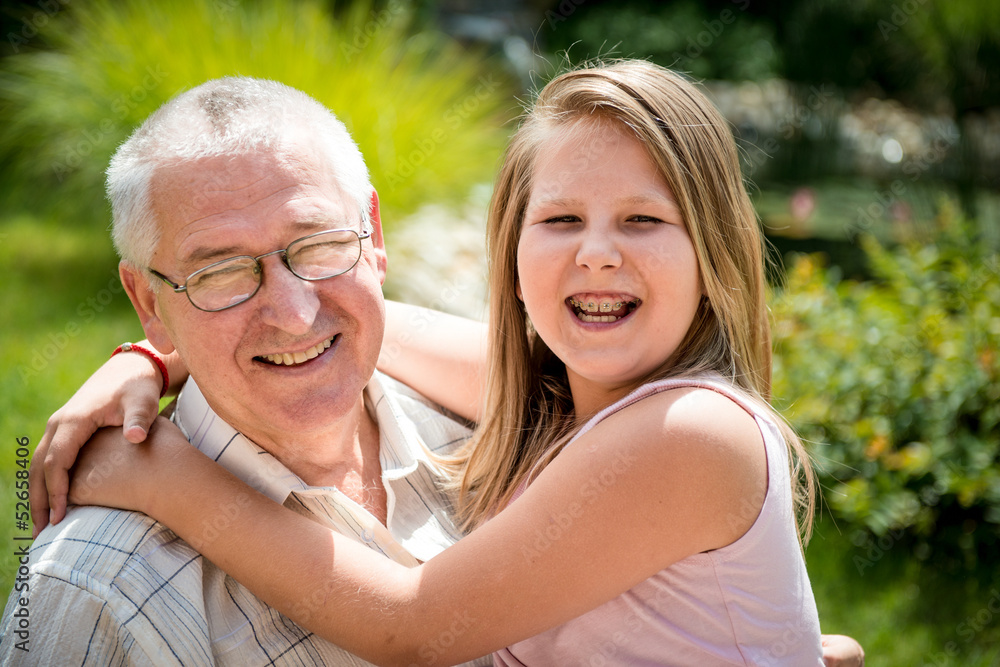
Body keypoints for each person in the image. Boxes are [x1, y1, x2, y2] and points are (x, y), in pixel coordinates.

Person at [14, 60, 865, 665]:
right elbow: (335, 311)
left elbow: (413, 629)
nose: (598, 255)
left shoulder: (688, 432)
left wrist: (162, 476)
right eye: (561, 220)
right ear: (515, 247)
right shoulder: (560, 392)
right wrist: (157, 352)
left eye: (644, 220)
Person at [0, 76, 491, 666]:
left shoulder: (519, 431)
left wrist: (157, 359)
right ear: (150, 304)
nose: (293, 314)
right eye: (222, 272)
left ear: (373, 234)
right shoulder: (99, 590)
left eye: (315, 244)